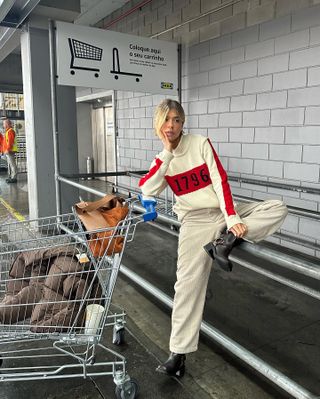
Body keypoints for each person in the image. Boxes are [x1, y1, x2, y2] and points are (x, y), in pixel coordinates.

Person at [138, 99, 288, 377]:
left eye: (178, 120)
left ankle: (225, 241)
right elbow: (147, 188)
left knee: (278, 207)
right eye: (167, 120)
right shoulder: (162, 160)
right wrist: (168, 154)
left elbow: (220, 181)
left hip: (222, 211)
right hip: (195, 222)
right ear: (158, 124)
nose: (172, 125)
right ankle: (178, 353)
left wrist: (232, 219)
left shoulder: (200, 143)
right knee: (187, 285)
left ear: (184, 123)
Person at [2, 118, 18, 183]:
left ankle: (14, 177)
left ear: (7, 124)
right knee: (10, 164)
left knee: (12, 164)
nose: (3, 125)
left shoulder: (10, 131)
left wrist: (8, 150)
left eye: (4, 123)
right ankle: (12, 177)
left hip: (10, 151)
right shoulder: (8, 131)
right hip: (8, 151)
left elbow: (10, 142)